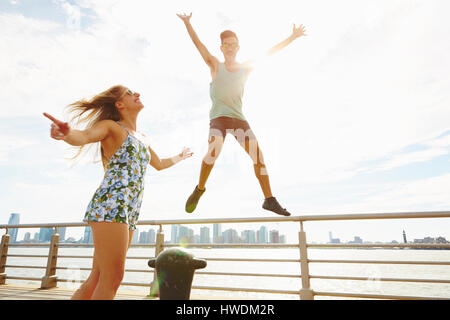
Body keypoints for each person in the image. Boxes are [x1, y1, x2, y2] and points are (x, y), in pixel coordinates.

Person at [43, 85, 193, 300]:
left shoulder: (142, 137)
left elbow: (158, 164)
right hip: (111, 203)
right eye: (130, 93)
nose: (138, 93)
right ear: (119, 104)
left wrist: (180, 156)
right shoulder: (111, 127)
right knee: (112, 278)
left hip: (129, 209)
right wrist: (66, 134)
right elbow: (84, 136)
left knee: (97, 279)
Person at [177, 12, 307, 216]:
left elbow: (270, 52)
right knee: (214, 150)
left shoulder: (245, 68)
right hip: (219, 119)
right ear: (221, 48)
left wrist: (292, 37)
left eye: (234, 44)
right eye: (226, 44)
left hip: (238, 119)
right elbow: (198, 44)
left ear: (238, 48)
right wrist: (187, 23)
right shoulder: (214, 64)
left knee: (259, 157)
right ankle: (200, 188)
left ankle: (269, 199)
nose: (230, 48)